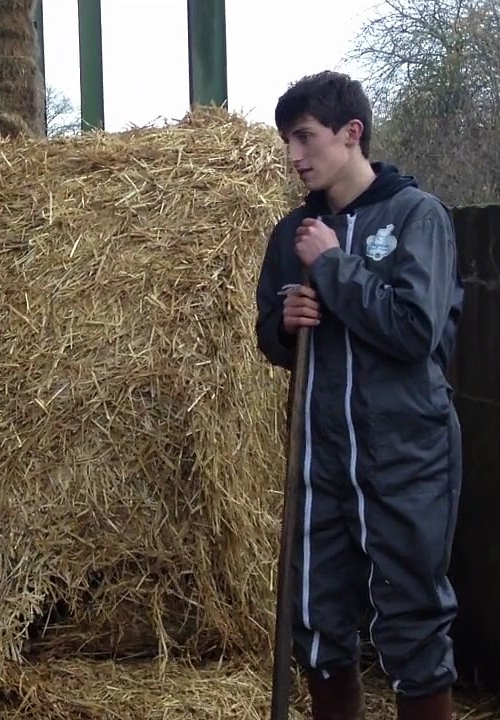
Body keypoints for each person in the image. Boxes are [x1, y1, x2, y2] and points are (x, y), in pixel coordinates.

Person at [256, 71, 464, 720]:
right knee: (316, 624)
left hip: (404, 458)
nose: (295, 155)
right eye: (287, 140)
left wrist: (334, 268)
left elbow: (415, 330)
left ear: (352, 135)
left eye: (306, 137)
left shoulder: (414, 216)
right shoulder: (293, 233)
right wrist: (284, 327)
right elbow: (270, 337)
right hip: (320, 465)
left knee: (412, 625)